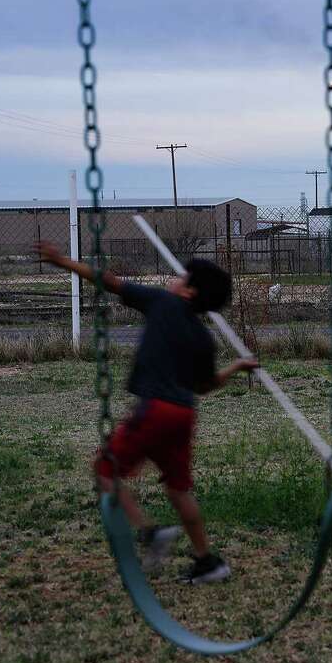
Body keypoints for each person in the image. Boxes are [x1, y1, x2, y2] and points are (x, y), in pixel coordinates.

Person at [35, 242, 258, 585]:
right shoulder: (203, 338)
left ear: (189, 291)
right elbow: (205, 386)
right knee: (178, 490)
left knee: (104, 469)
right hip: (183, 414)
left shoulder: (160, 302)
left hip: (154, 410)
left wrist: (63, 261)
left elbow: (109, 281)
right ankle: (207, 562)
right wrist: (239, 366)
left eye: (181, 277)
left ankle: (150, 533)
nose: (174, 279)